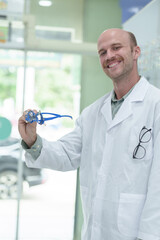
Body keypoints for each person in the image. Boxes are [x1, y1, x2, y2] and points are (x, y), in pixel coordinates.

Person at [18, 28, 160, 240]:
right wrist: (32, 140)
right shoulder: (93, 113)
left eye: (116, 48)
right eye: (102, 52)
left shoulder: (155, 105)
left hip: (137, 234)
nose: (109, 56)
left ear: (136, 52)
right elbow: (67, 155)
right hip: (95, 231)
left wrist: (149, 236)